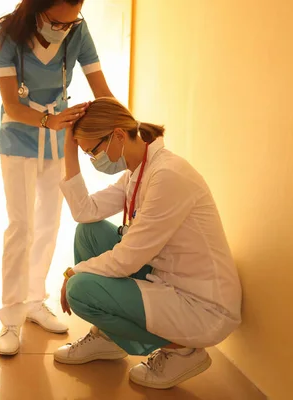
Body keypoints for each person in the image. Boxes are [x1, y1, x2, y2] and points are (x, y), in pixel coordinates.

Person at [54, 97, 243, 389]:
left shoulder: (167, 175)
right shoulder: (137, 171)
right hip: (167, 280)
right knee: (88, 232)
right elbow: (84, 211)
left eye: (94, 151)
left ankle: (181, 350)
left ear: (118, 135)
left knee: (80, 289)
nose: (95, 161)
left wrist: (72, 273)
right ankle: (108, 339)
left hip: (202, 306)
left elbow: (126, 260)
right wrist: (70, 145)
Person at [0, 0, 114, 356]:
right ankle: (10, 317)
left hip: (59, 139)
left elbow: (101, 89)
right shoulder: (7, 33)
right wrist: (48, 121)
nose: (63, 28)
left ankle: (33, 301)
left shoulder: (77, 30)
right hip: (18, 136)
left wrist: (129, 127)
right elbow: (13, 105)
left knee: (48, 224)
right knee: (21, 226)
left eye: (70, 21)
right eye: (57, 22)